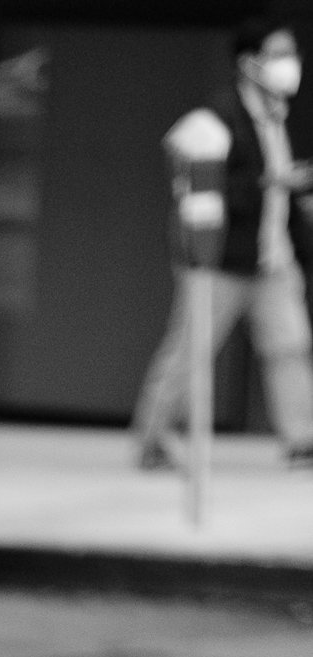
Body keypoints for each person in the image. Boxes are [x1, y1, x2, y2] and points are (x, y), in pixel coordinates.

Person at [131, 18, 313, 468]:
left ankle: (302, 439)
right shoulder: (219, 116)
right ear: (249, 63)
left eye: (291, 53)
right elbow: (198, 182)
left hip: (271, 259)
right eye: (278, 53)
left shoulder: (275, 117)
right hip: (221, 261)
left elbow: (273, 192)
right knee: (190, 349)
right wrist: (271, 182)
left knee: (289, 347)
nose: (290, 64)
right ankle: (153, 438)